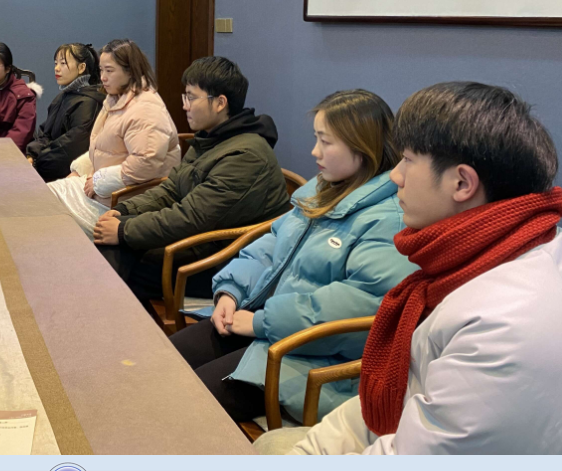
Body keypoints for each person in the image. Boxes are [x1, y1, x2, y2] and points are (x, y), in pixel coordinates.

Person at [286, 82, 562, 455]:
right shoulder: (474, 262)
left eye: (408, 160)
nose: (395, 176)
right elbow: (393, 409)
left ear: (461, 183)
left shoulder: (501, 326)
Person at [169, 89, 416, 425]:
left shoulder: (388, 219)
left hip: (309, 357)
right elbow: (273, 244)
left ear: (363, 147)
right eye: (316, 138)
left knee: (185, 400)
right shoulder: (324, 187)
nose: (314, 151)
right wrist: (231, 291)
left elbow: (357, 308)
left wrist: (260, 323)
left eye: (325, 142)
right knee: (163, 360)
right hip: (266, 326)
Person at [92, 57, 292, 300]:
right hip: (199, 241)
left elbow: (191, 217)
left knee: (113, 260)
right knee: (109, 252)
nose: (185, 106)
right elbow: (171, 190)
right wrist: (124, 211)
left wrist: (124, 230)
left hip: (225, 261)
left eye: (191, 97)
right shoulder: (211, 137)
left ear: (220, 103)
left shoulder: (246, 156)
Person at [49, 38, 180, 237]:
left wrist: (99, 182)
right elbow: (105, 147)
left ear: (130, 71)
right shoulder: (116, 98)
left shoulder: (145, 108)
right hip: (101, 191)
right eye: (101, 70)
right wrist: (79, 170)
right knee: (39, 199)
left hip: (122, 204)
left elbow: (146, 162)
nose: (102, 77)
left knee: (46, 210)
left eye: (109, 71)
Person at [26, 43, 105, 182]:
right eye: (56, 63)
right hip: (46, 166)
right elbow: (45, 133)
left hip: (67, 175)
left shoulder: (88, 102)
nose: (56, 68)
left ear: (81, 68)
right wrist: (31, 155)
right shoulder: (63, 96)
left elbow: (72, 147)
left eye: (63, 63)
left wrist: (39, 163)